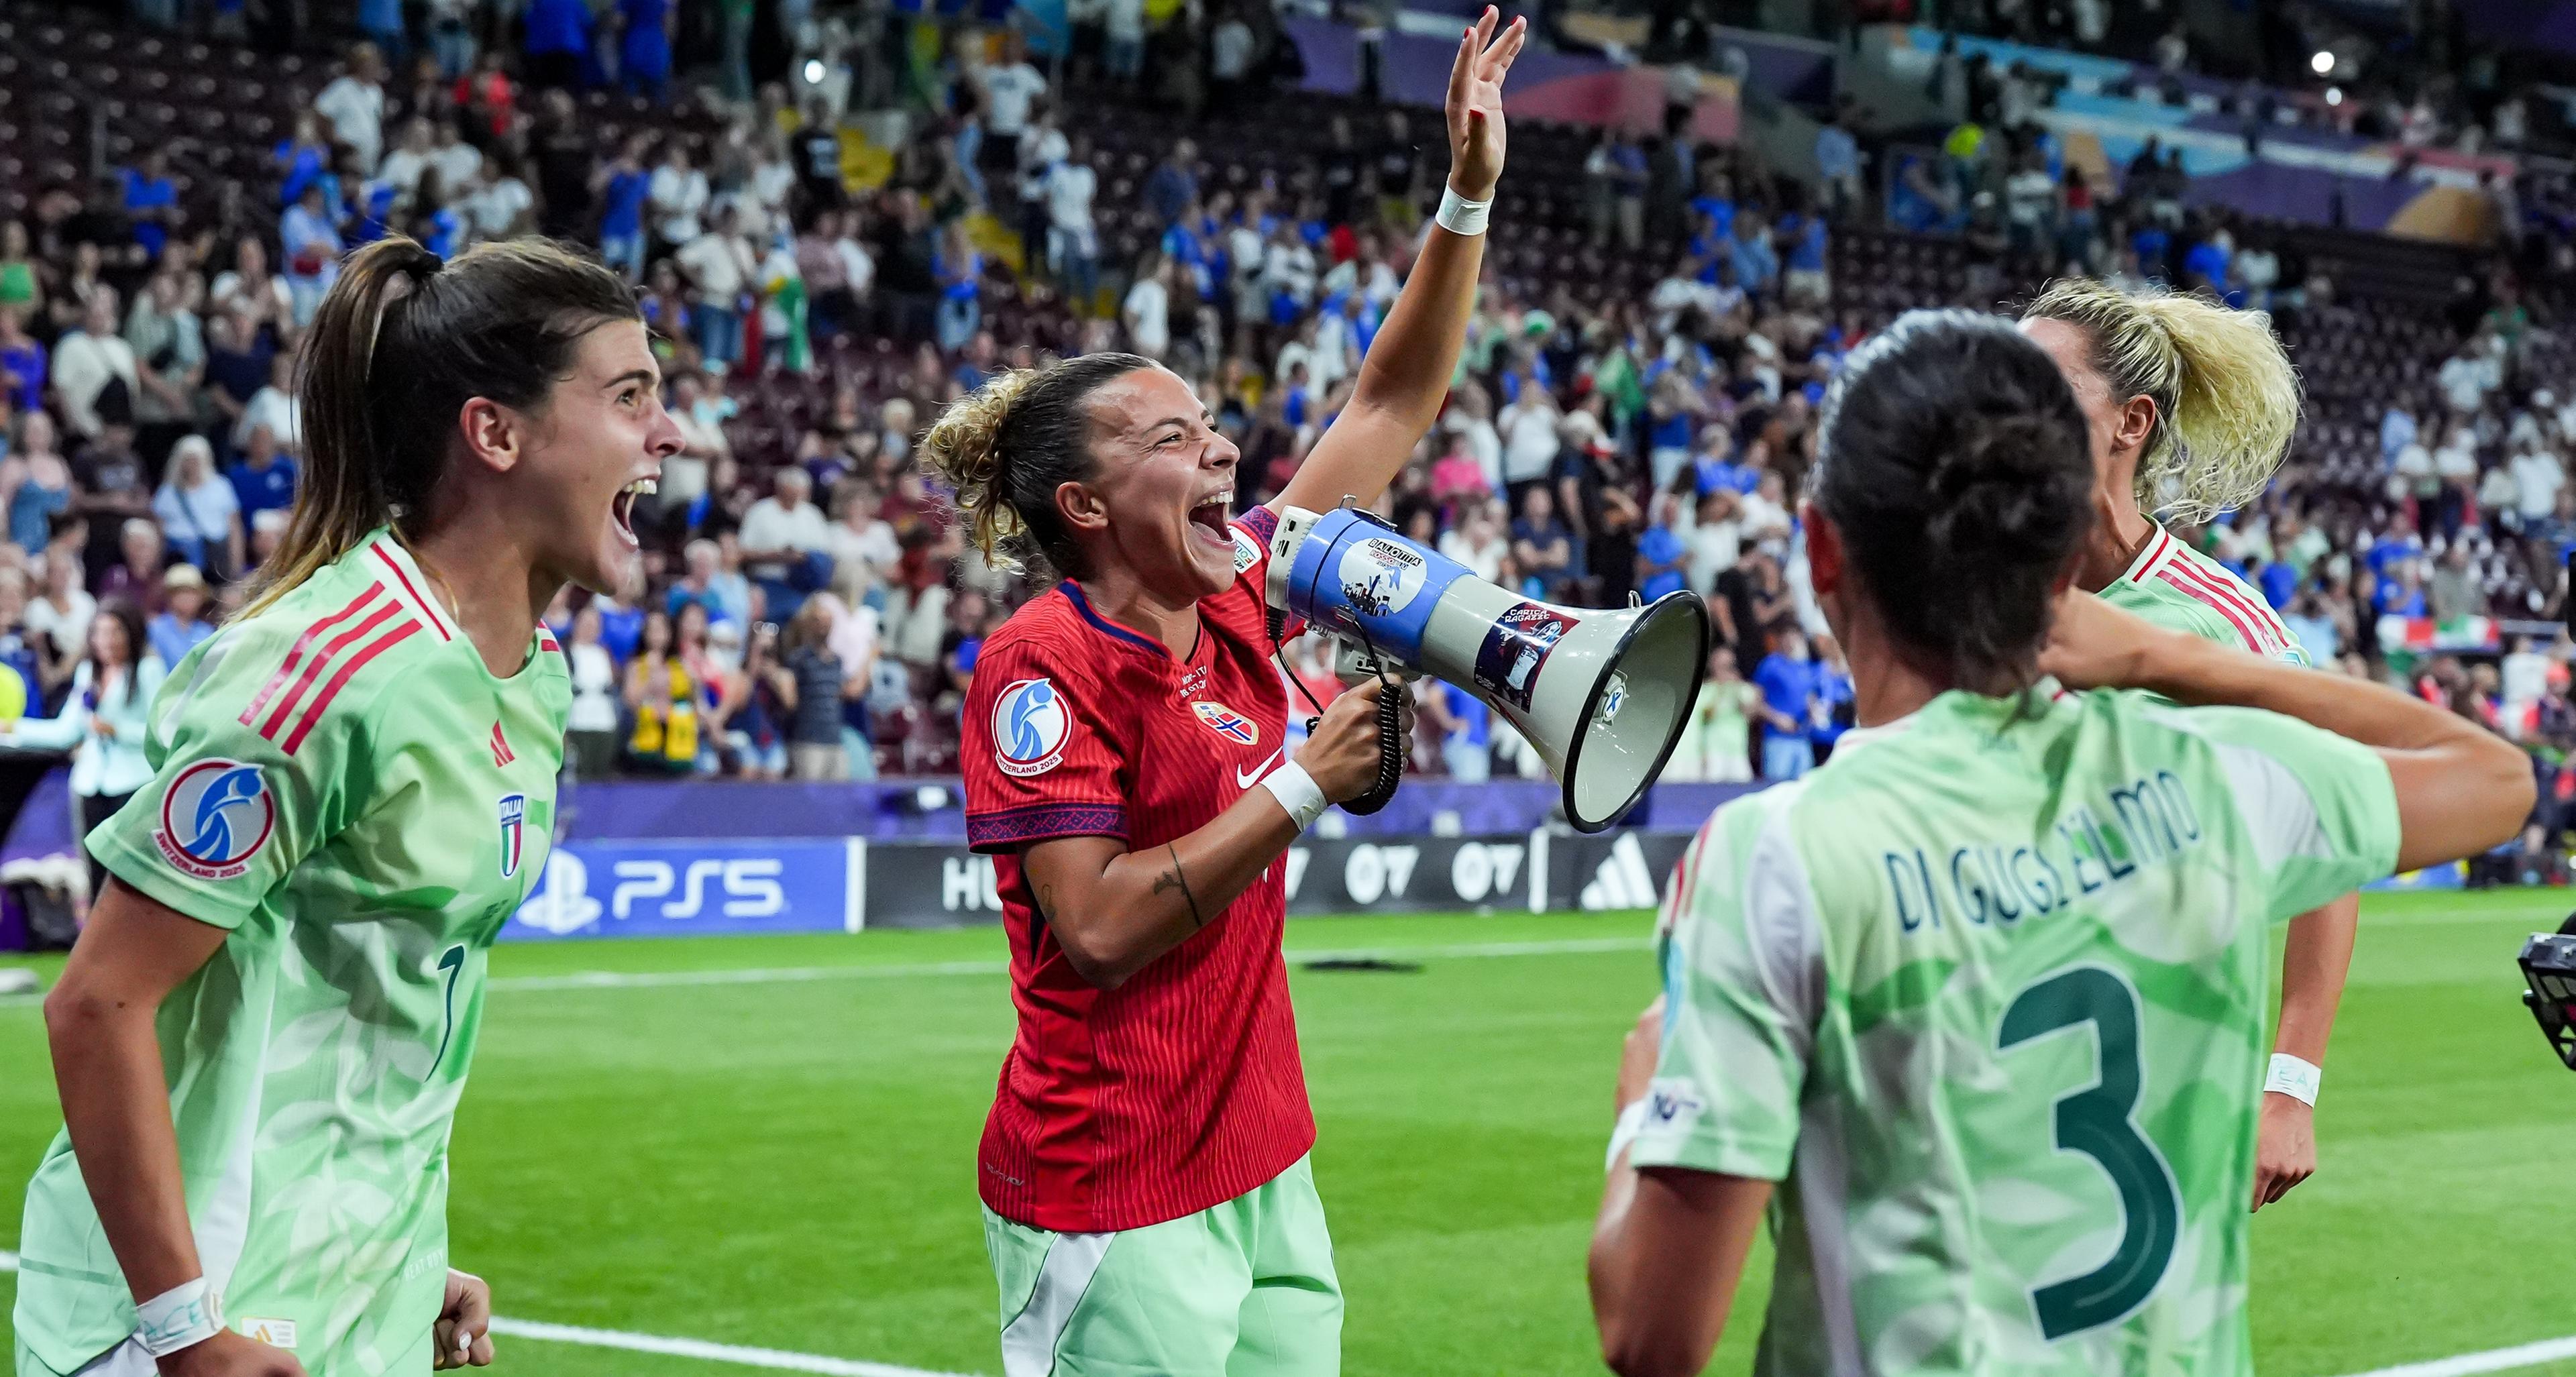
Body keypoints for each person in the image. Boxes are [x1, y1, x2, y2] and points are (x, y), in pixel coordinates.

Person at [1586, 310, 2532, 1377]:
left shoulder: (1774, 856)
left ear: (1820, 551)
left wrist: (1643, 1095)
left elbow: (1652, 1339)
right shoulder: (2201, 785)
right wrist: (2166, 665)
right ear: (2056, 554)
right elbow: (2496, 779)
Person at [921, 15, 1519, 1373]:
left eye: (1212, 425)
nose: (1224, 450)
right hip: (1110, 1194)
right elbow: (1099, 930)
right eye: (1174, 438)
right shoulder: (1043, 665)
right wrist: (1305, 777)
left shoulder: (1241, 587)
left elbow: (1391, 397)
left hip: (1265, 1165)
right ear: (1084, 503)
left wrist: (1467, 191)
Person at [14, 234, 684, 1377]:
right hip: (200, 1318)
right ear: (496, 432)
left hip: (350, 1291)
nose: (668, 433)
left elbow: (372, 1010)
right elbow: (97, 1002)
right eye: (631, 397)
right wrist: (186, 1328)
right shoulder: (319, 670)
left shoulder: (532, 674)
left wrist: (403, 1254)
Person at [2017, 278, 2348, 1213]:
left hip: (2156, 1119)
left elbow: (2332, 841)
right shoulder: (1963, 603)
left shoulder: (2219, 624)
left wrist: (2292, 1085)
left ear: (2130, 423)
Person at [0, 600, 165, 899]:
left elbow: (160, 732)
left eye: (114, 632)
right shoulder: (88, 672)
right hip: (90, 783)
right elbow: (66, 732)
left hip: (132, 783)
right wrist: (14, 728)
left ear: (131, 633)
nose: (106, 640)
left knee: (129, 873)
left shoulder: (148, 670)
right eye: (100, 632)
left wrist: (117, 730)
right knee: (95, 871)